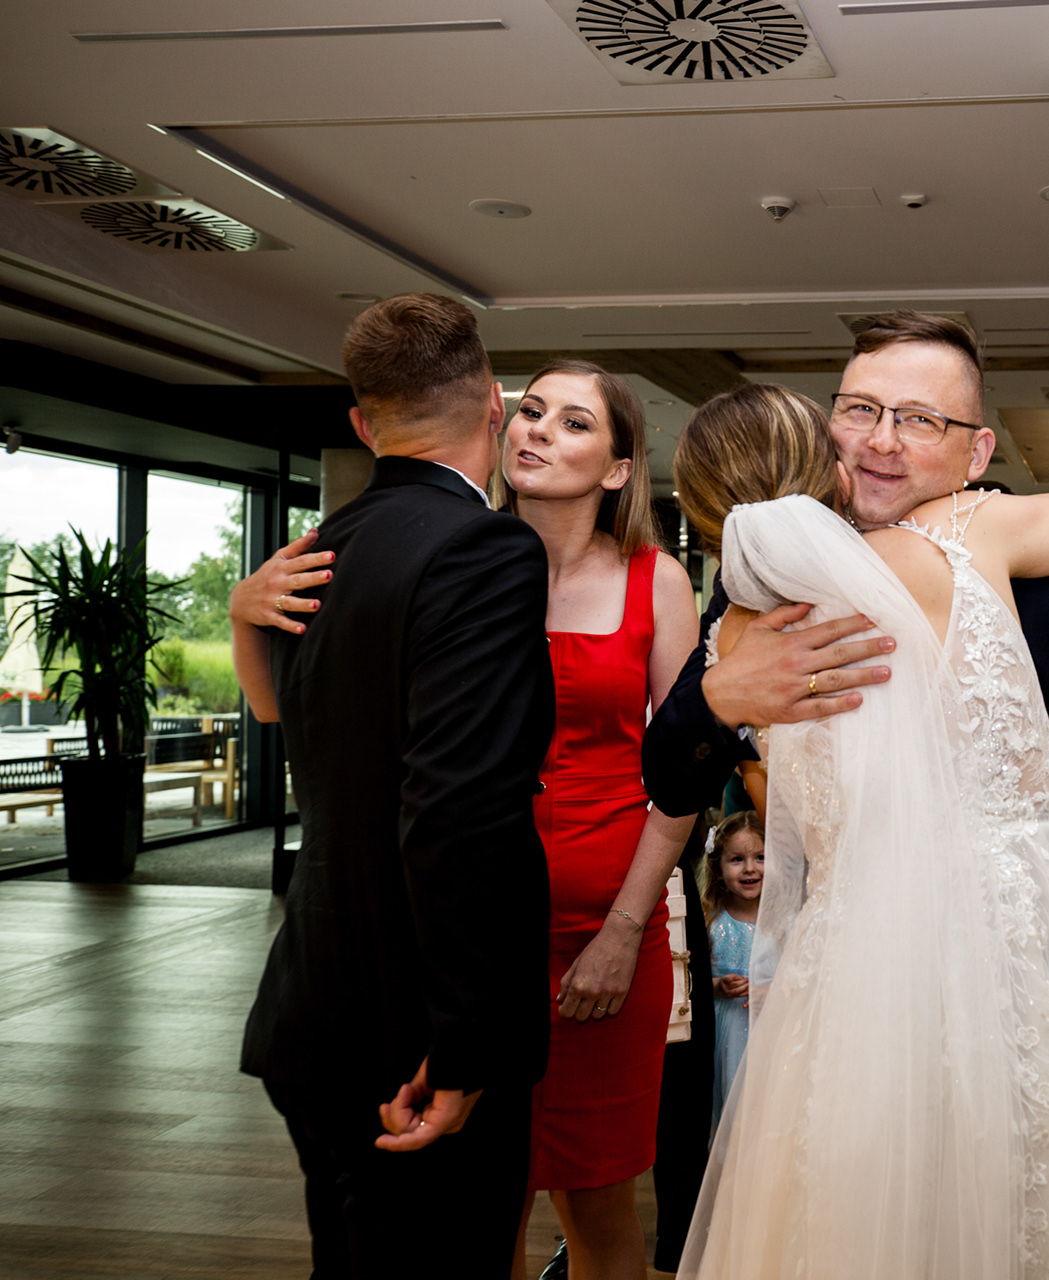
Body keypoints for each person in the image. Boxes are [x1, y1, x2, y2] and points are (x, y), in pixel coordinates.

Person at [643, 311, 1049, 1128]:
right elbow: (668, 773)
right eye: (861, 410)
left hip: (1021, 981)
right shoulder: (754, 592)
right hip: (850, 987)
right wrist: (723, 697)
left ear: (976, 455)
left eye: (920, 420)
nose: (881, 441)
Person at [668, 378, 1049, 1277]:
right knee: (1034, 1179)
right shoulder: (955, 542)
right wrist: (964, 503)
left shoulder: (734, 645)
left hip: (851, 953)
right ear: (829, 466)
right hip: (1018, 924)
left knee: (855, 1201)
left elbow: (761, 795)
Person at [237, 356, 700, 1280]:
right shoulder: (450, 556)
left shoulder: (658, 582)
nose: (539, 430)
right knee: (484, 1209)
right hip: (464, 939)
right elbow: (288, 710)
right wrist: (244, 613)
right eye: (532, 410)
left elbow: (680, 774)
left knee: (601, 1207)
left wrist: (622, 931)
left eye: (574, 423)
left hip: (606, 933)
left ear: (618, 468)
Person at [234, 294, 556, 1277]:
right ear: (494, 402)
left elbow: (295, 725)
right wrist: (463, 1044)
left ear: (364, 423)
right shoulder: (484, 547)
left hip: (314, 1002)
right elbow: (459, 807)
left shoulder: (316, 552)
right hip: (410, 1032)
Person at [699, 811, 763, 1133]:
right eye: (737, 859)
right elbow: (693, 982)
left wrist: (774, 987)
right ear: (718, 868)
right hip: (726, 1034)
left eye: (761, 857)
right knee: (733, 1113)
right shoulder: (711, 920)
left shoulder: (784, 921)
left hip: (771, 1030)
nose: (750, 868)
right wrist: (717, 986)